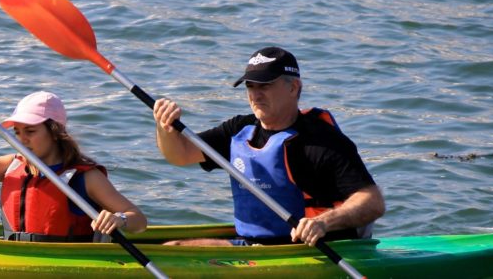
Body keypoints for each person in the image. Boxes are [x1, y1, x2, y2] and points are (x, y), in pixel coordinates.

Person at [152, 47, 385, 246]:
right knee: (174, 246)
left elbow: (372, 202)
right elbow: (180, 155)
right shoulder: (239, 130)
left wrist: (323, 222)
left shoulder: (322, 141)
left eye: (264, 85)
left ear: (293, 87)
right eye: (250, 86)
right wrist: (164, 127)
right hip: (253, 245)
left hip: (311, 249)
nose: (255, 95)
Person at [0, 91, 147, 242]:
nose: (22, 139)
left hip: (67, 264)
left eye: (30, 131)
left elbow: (139, 220)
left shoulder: (85, 177)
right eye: (17, 132)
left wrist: (119, 218)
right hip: (17, 257)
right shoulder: (13, 165)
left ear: (54, 131)